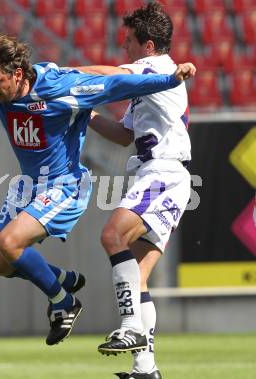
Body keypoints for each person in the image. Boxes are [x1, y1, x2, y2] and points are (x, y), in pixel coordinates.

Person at [0, 25, 195, 346]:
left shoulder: (62, 88)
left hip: (64, 185)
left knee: (10, 241)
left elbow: (118, 83)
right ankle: (60, 279)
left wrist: (170, 79)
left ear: (18, 74)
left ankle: (63, 301)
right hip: (28, 185)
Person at [77, 2, 192, 378]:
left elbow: (110, 76)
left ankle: (130, 329)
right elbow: (124, 134)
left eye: (128, 42)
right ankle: (146, 369)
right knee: (137, 276)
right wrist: (87, 115)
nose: (122, 48)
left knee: (112, 235)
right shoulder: (150, 84)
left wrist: (64, 75)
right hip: (163, 176)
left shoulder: (155, 68)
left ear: (146, 46)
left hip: (161, 173)